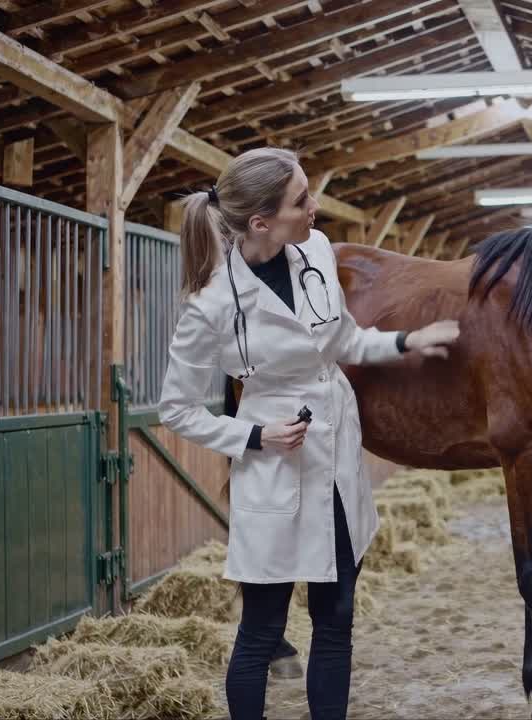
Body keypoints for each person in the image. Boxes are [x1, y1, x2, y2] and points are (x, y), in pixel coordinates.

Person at [157, 147, 459, 720]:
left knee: (337, 618)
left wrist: (405, 342)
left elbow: (343, 341)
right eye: (302, 200)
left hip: (338, 460)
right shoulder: (211, 304)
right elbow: (176, 410)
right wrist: (255, 436)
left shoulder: (316, 252)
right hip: (274, 467)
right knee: (261, 631)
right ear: (260, 222)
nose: (315, 207)